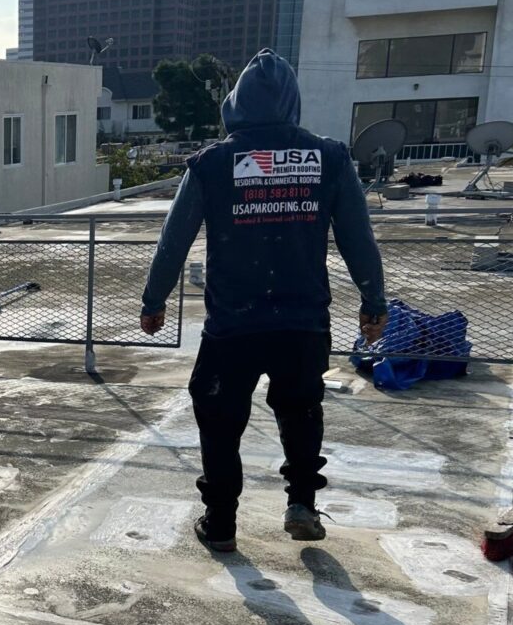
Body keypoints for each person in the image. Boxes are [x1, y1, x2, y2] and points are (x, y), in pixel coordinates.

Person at [140, 49, 389, 554]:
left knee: (219, 420)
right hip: (302, 323)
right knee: (300, 410)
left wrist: (154, 299)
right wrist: (373, 301)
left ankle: (221, 521)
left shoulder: (212, 163)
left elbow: (175, 237)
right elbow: (358, 237)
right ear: (292, 102)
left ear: (235, 105)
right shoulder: (328, 158)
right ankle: (301, 502)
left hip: (233, 325)